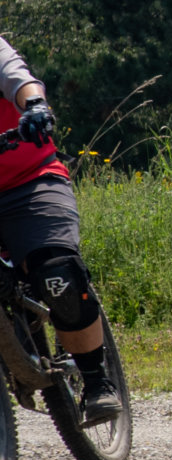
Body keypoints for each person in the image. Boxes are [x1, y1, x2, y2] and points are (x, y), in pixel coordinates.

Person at [0, 42, 114, 425]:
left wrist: (33, 106)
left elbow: (18, 79)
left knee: (58, 273)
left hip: (26, 181)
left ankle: (97, 383)